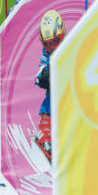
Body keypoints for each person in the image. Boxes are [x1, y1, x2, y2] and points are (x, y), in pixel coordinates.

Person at [34, 10, 66, 162]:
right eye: (47, 44)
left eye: (55, 41)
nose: (51, 46)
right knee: (49, 100)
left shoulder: (70, 45)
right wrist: (43, 75)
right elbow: (40, 72)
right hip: (55, 95)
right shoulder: (46, 54)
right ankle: (45, 137)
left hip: (72, 93)